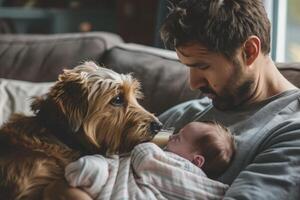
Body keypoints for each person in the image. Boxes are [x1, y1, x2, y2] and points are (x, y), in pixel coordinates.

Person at [158, 0, 300, 199]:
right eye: (188, 67)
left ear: (249, 51)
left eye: (203, 66)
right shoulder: (188, 112)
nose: (193, 83)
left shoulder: (292, 130)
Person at [64, 121, 235, 200]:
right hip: (138, 183)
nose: (171, 137)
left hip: (134, 190)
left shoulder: (183, 168)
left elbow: (147, 160)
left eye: (178, 138)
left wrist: (144, 145)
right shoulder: (207, 188)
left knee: (93, 167)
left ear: (197, 161)